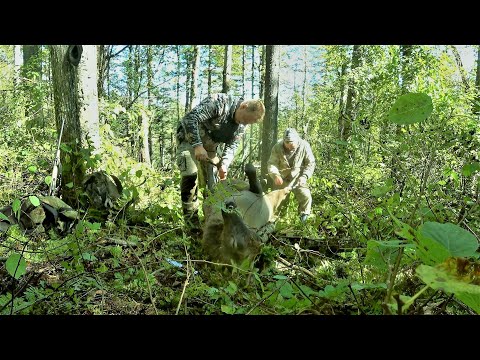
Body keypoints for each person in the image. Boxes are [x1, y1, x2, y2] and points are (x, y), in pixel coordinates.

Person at [175, 93, 265, 231]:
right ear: (243, 106)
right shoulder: (219, 102)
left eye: (249, 123)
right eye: (245, 120)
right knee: (190, 174)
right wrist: (197, 145)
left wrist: (224, 164)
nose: (245, 124)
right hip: (189, 139)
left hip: (210, 147)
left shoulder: (242, 126)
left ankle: (210, 221)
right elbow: (190, 118)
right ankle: (191, 223)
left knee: (214, 187)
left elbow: (232, 145)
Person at [267, 127, 315, 222]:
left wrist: (304, 176)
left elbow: (310, 163)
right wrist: (275, 175)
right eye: (287, 143)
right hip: (281, 179)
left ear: (297, 140)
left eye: (292, 143)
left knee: (306, 197)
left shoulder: (304, 146)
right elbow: (272, 163)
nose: (289, 146)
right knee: (277, 201)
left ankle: (303, 221)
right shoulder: (277, 147)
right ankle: (274, 222)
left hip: (298, 178)